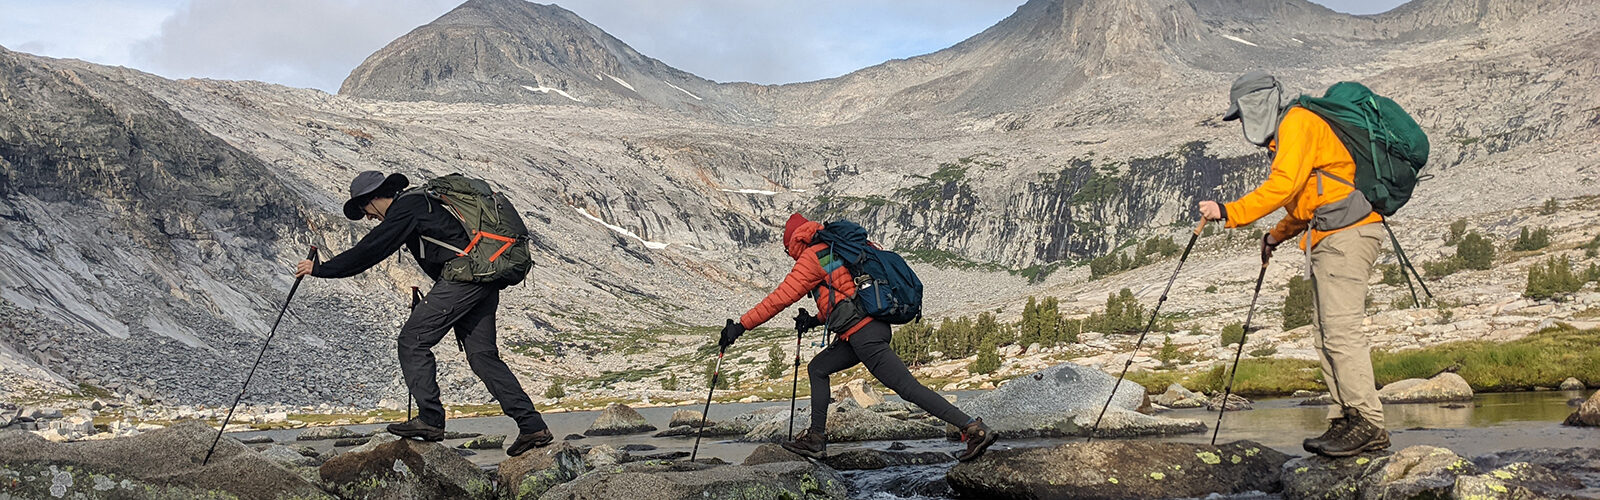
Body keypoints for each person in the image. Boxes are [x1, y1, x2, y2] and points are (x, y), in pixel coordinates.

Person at [294, 170, 552, 456]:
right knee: (482, 357)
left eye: (364, 208)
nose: (367, 216)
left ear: (375, 198)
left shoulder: (406, 208)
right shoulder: (421, 202)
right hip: (482, 277)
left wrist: (321, 269)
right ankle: (532, 426)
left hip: (463, 278)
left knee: (412, 341)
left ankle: (430, 420)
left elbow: (370, 250)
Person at [1198, 71, 1389, 457]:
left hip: (1347, 236)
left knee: (1341, 333)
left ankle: (1368, 423)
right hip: (1328, 236)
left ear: (1256, 104)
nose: (1241, 123)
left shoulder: (1298, 122)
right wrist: (1275, 236)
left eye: (1240, 114)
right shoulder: (1288, 134)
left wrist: (1228, 211)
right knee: (1325, 333)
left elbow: (1282, 186)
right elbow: (1306, 203)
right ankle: (1346, 419)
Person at [717, 213, 997, 461]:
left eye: (786, 247)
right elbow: (847, 297)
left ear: (792, 242)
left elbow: (778, 300)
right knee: (818, 368)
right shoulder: (835, 248)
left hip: (864, 334)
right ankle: (816, 439)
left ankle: (973, 428)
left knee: (907, 387)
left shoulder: (811, 257)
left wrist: (740, 327)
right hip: (862, 331)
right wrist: (814, 320)